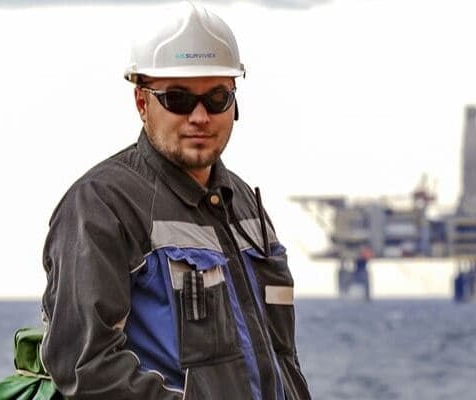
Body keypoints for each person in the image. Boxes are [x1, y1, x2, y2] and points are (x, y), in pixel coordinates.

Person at [40, 2, 311, 399]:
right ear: (141, 102)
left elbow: (283, 360)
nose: (200, 116)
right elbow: (86, 370)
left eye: (217, 98)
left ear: (234, 103)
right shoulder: (101, 206)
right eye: (179, 99)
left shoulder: (245, 206)